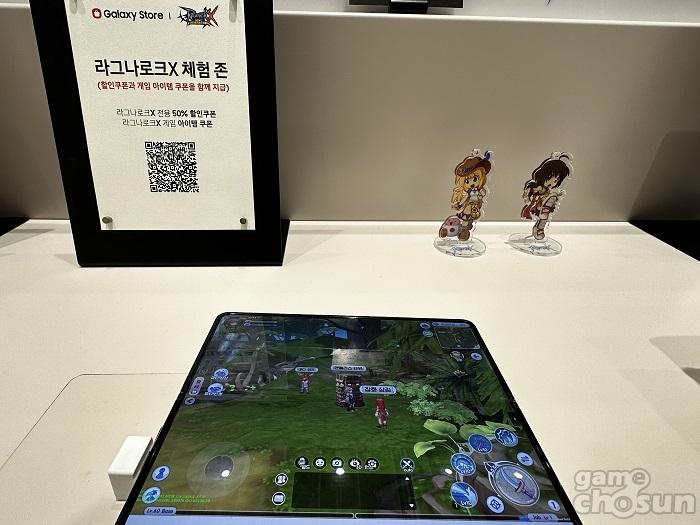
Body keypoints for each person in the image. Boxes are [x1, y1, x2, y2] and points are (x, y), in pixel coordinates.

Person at [520, 154, 572, 240]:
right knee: (544, 214)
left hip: (544, 207)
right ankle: (542, 217)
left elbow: (554, 196)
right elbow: (528, 193)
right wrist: (531, 192)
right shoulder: (536, 186)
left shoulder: (551, 192)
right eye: (550, 178)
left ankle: (540, 228)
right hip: (535, 205)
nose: (553, 182)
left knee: (546, 214)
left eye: (556, 180)